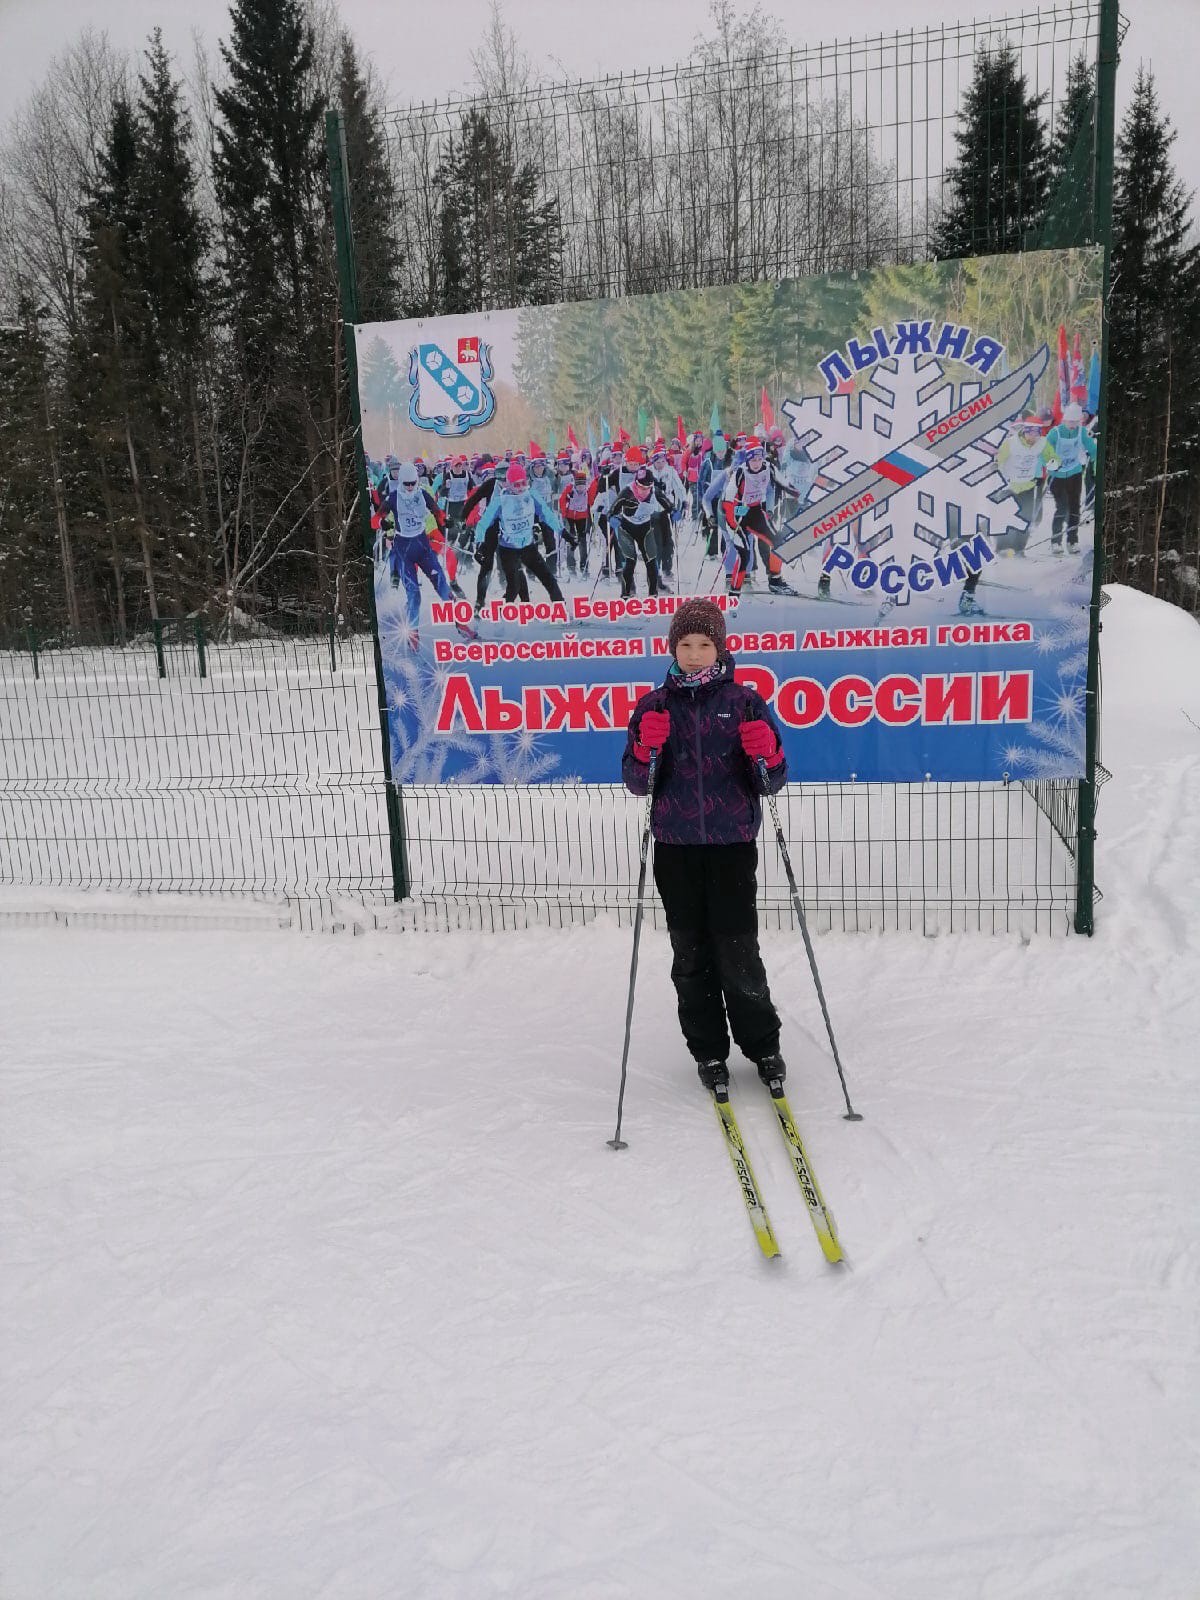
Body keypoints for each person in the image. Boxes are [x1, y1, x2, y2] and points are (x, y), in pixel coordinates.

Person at [622, 598, 790, 1095]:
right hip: (675, 847)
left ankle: (763, 1046)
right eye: (686, 644)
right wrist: (643, 749)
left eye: (704, 644)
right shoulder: (654, 705)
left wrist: (768, 753)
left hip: (731, 844)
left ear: (720, 648)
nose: (695, 654)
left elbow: (772, 781)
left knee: (738, 949)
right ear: (673, 647)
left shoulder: (745, 702)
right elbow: (635, 781)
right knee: (689, 953)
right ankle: (708, 1051)